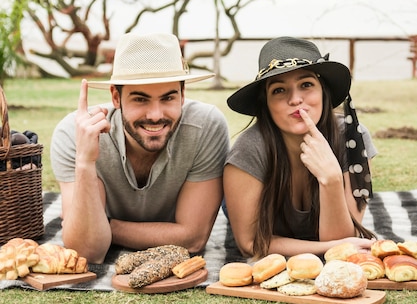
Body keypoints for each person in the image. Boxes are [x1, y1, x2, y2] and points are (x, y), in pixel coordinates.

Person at [50, 33, 230, 263]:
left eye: (168, 98)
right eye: (140, 99)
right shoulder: (74, 133)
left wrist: (107, 228)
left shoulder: (206, 126)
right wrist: (85, 162)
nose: (155, 115)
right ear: (116, 97)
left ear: (183, 95)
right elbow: (88, 251)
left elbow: (192, 239)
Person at [223, 36, 377, 260]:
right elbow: (250, 243)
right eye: (279, 90)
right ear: (265, 103)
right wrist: (326, 248)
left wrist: (331, 179)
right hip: (246, 203)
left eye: (306, 85)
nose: (295, 99)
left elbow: (344, 239)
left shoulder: (353, 138)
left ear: (323, 91)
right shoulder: (249, 149)